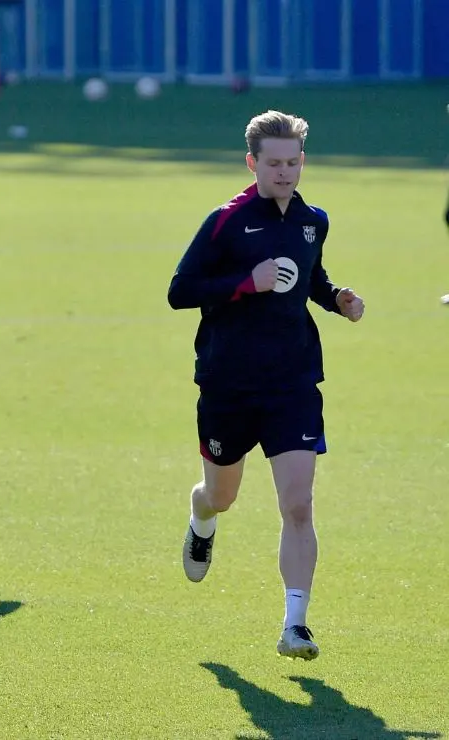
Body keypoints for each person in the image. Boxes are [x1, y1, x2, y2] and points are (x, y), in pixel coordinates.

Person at [168, 110, 365, 661]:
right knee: (222, 494)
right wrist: (244, 284)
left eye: (293, 162)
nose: (284, 172)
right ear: (252, 162)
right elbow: (180, 290)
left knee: (298, 504)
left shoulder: (313, 221)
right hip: (229, 381)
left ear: (303, 161)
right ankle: (201, 515)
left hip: (293, 379)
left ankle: (295, 624)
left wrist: (337, 299)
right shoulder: (225, 221)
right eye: (274, 163)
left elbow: (311, 278)